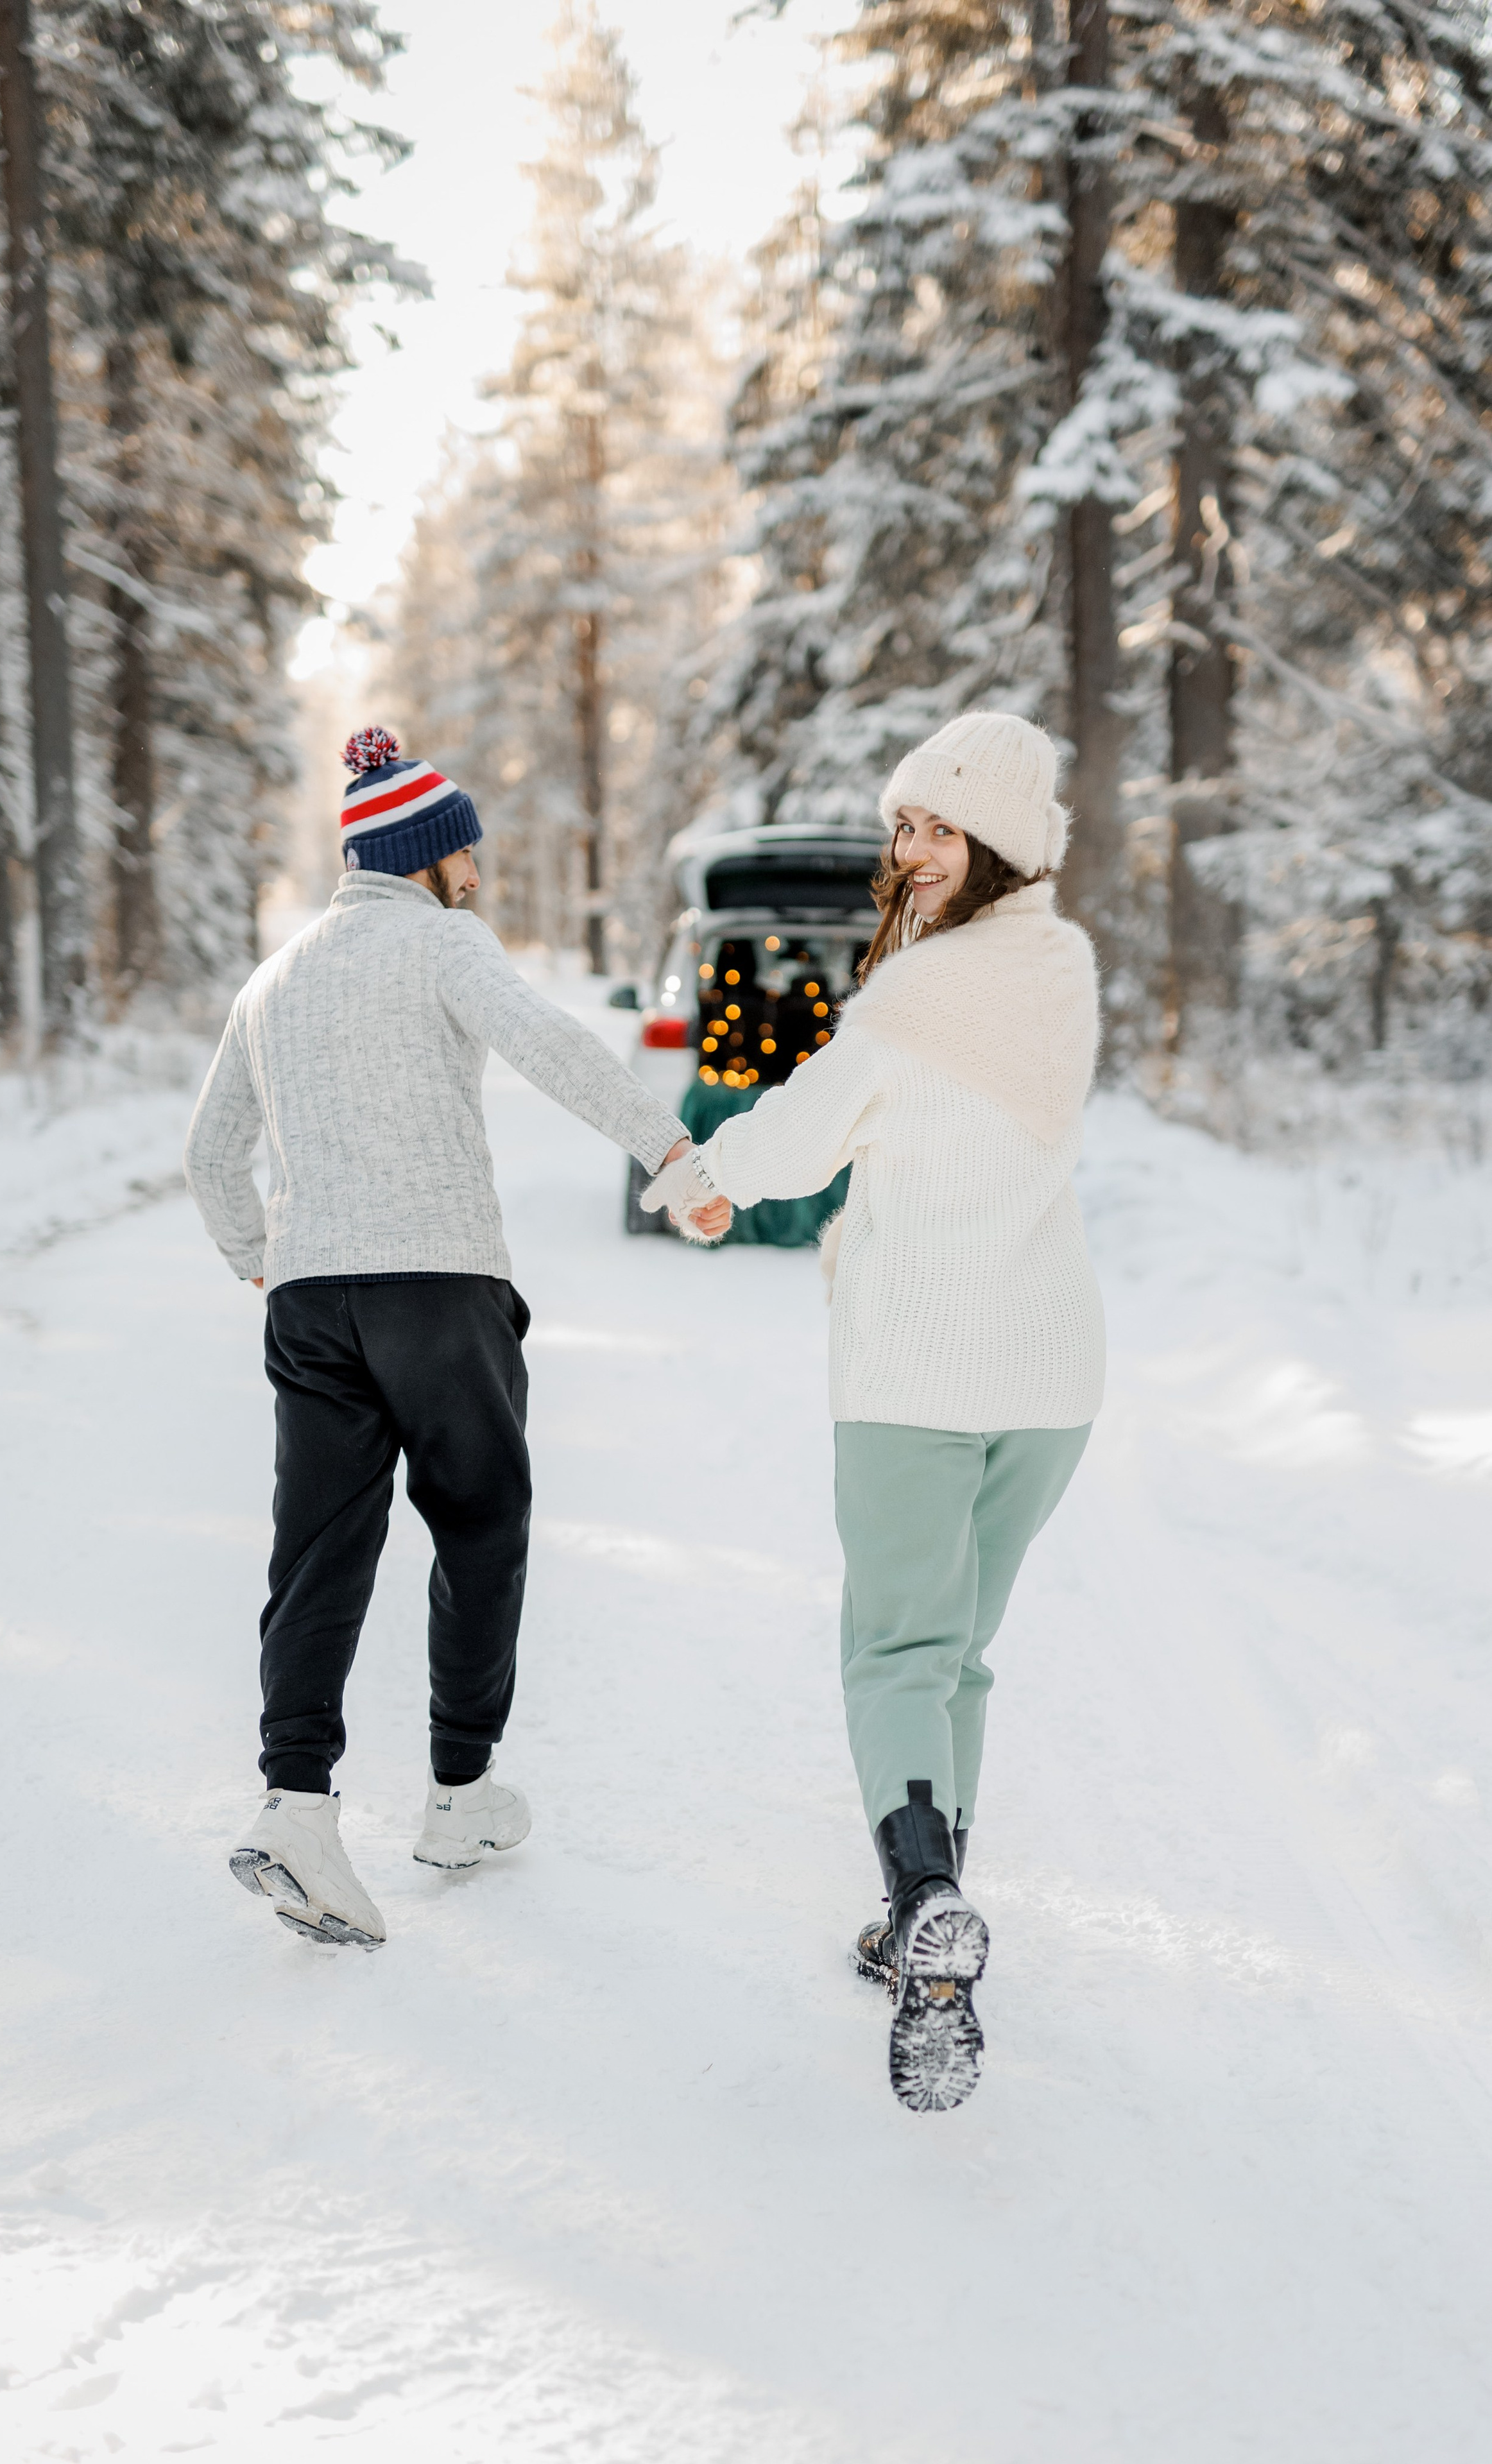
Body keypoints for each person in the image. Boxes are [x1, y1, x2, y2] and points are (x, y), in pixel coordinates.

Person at [185, 725, 727, 1951]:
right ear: (433, 854)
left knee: (316, 1554)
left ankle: (297, 1810)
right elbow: (548, 1045)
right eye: (467, 845)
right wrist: (671, 1152)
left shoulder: (273, 979)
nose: (478, 862)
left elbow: (212, 1153)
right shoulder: (441, 941)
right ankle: (461, 1793)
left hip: (311, 1298)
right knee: (480, 1524)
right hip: (439, 1287)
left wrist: (254, 1255)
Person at [643, 711, 1102, 2110]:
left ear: (999, 846)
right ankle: (930, 1914)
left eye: (937, 828)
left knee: (896, 1651)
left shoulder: (912, 1000)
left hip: (917, 1369)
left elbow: (797, 1132)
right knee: (956, 1655)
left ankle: (922, 1916)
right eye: (901, 824)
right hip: (1049, 1375)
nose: (906, 851)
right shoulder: (1065, 968)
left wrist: (694, 1180)